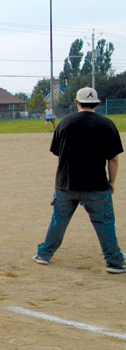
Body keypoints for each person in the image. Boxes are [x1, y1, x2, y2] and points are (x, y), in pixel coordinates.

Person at [33, 87, 126, 274]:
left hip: (66, 183)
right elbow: (113, 158)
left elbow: (57, 151)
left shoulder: (65, 123)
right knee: (104, 222)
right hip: (96, 184)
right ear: (97, 104)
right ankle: (114, 261)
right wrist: (112, 182)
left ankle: (44, 254)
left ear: (77, 103)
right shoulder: (107, 124)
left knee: (59, 220)